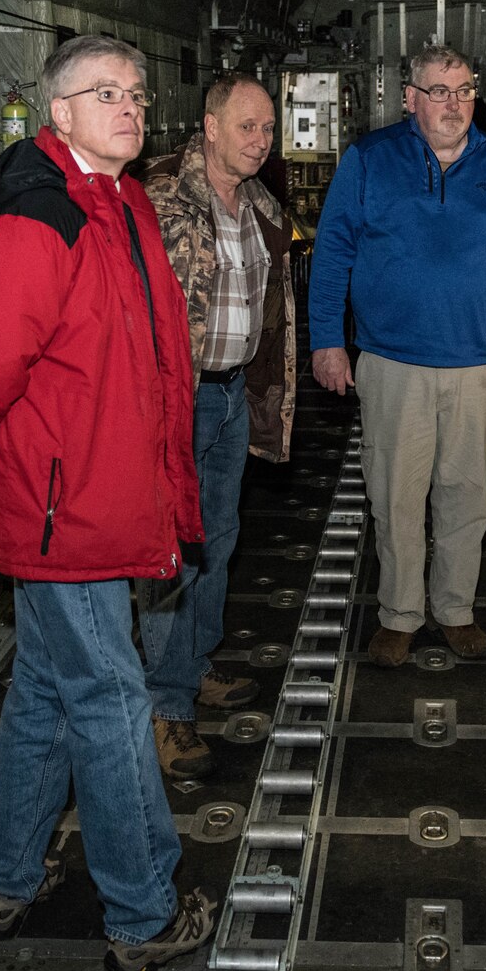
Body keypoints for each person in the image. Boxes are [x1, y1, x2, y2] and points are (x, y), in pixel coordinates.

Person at [0, 35, 217, 971]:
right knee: (112, 697)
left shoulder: (117, 201)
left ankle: (5, 876)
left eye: (136, 92)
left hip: (92, 494)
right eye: (105, 93)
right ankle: (141, 912)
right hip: (62, 510)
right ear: (59, 114)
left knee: (48, 688)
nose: (129, 107)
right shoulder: (38, 219)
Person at [308, 44, 486, 667]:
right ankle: (399, 613)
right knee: (394, 493)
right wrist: (326, 341)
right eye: (439, 91)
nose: (454, 103)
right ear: (409, 98)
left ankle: (455, 609)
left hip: (476, 362)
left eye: (465, 90)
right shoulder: (368, 160)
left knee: (465, 493)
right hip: (391, 360)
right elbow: (332, 252)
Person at [141, 75, 296, 779]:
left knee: (219, 538)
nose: (261, 141)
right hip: (177, 400)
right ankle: (166, 707)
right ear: (209, 124)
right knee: (173, 550)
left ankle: (194, 664)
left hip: (231, 395)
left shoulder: (261, 203)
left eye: (268, 128)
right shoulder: (159, 195)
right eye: (247, 127)